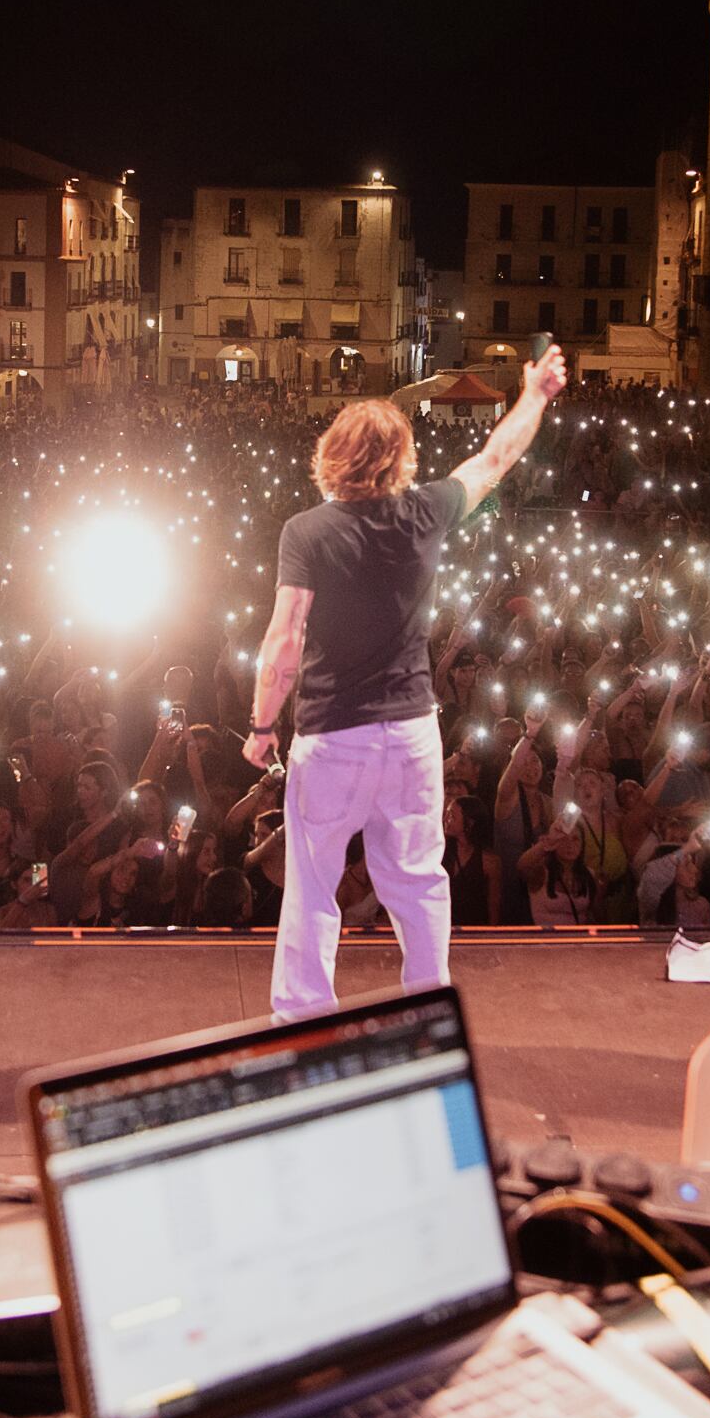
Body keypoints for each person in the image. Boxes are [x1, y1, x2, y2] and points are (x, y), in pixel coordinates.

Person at [245, 343, 568, 1017]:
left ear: (332, 455)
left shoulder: (306, 531)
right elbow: (494, 460)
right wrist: (534, 395)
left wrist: (262, 725)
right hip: (414, 732)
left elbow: (284, 639)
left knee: (312, 884)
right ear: (402, 459)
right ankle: (428, 1013)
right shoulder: (424, 513)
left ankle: (304, 1021)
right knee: (418, 882)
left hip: (335, 736)